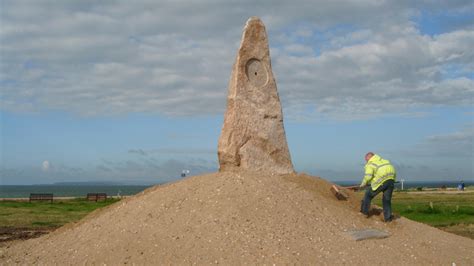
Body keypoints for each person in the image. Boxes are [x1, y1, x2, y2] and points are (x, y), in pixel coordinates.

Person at [359, 152, 397, 222]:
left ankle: (363, 213)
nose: (366, 161)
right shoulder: (384, 161)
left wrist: (363, 184)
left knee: (368, 194)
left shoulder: (371, 163)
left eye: (366, 160)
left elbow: (368, 176)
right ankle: (388, 218)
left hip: (381, 181)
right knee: (386, 200)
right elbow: (392, 171)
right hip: (391, 180)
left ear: (369, 157)